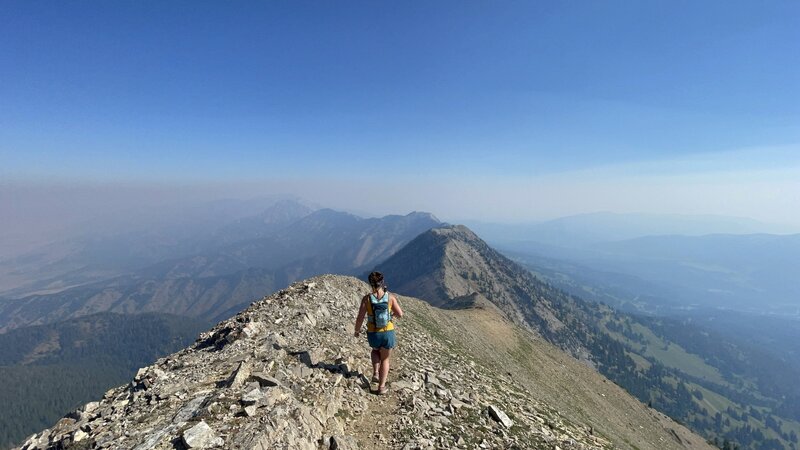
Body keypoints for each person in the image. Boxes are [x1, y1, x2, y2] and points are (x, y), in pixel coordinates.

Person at [354, 271, 404, 395]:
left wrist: (357, 330)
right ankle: (381, 387)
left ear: (370, 283)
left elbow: (360, 317)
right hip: (387, 332)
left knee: (375, 350)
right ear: (382, 283)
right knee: (385, 359)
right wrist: (390, 315)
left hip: (373, 333)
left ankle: (376, 372)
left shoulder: (366, 299)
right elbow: (400, 314)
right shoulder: (390, 297)